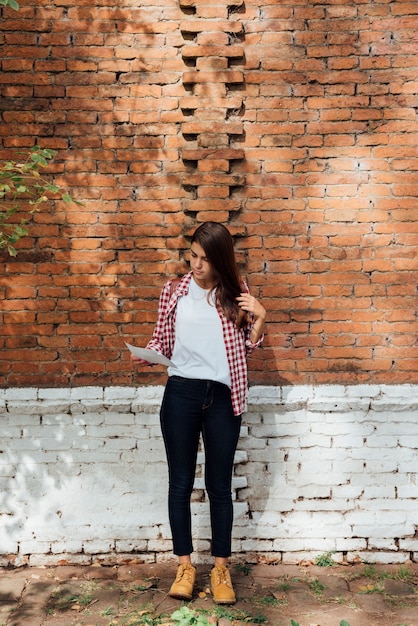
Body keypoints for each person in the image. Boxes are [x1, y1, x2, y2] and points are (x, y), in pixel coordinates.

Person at [132, 221, 266, 604]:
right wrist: (148, 354)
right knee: (180, 484)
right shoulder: (173, 291)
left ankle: (221, 569)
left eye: (205, 259)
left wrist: (261, 318)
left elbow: (248, 347)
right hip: (181, 394)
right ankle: (185, 567)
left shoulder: (236, 293)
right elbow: (162, 339)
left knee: (219, 487)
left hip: (223, 397)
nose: (196, 265)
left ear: (221, 260)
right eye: (193, 256)